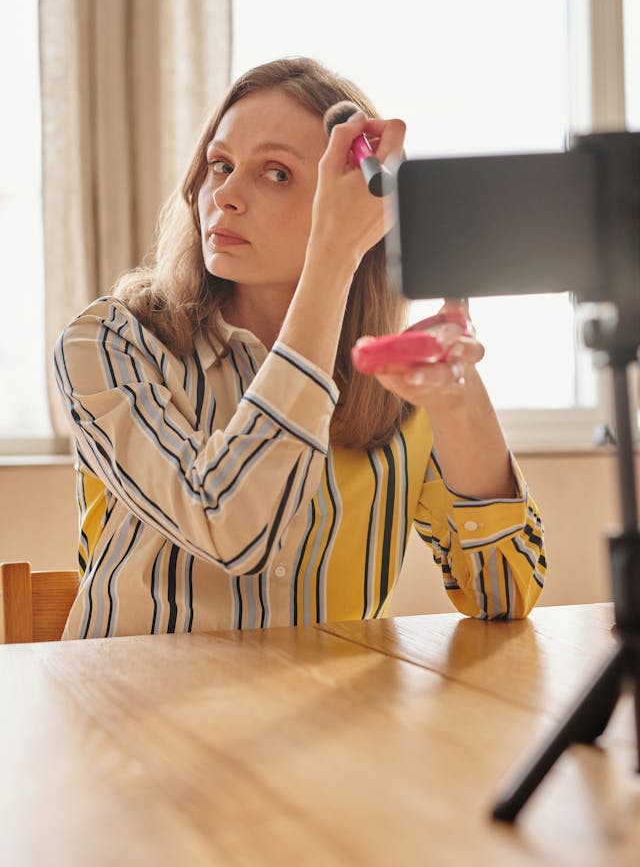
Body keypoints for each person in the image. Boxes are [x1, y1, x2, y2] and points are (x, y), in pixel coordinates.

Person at [54, 57, 545, 639]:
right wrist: (332, 260)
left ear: (364, 211)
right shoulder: (111, 343)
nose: (227, 194)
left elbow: (504, 595)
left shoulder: (396, 380)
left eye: (277, 173)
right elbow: (228, 528)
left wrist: (457, 404)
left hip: (325, 721)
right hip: (136, 719)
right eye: (220, 165)